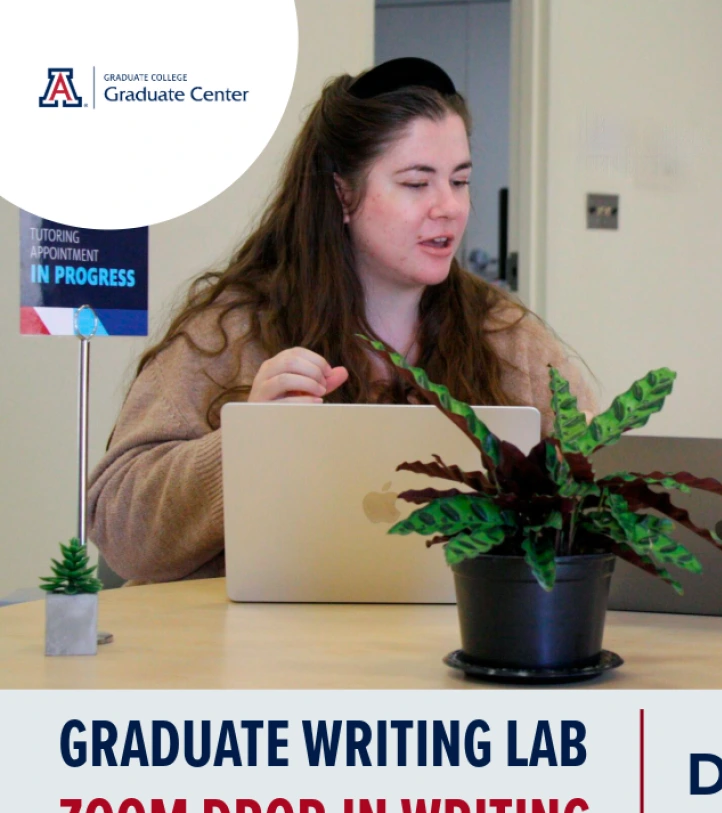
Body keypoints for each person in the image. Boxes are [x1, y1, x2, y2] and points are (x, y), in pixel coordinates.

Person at [88, 58, 596, 584]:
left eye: (460, 180)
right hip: (257, 635)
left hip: (454, 634)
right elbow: (121, 533)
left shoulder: (508, 338)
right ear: (342, 194)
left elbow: (601, 503)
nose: (450, 207)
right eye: (417, 183)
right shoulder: (232, 332)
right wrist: (247, 444)